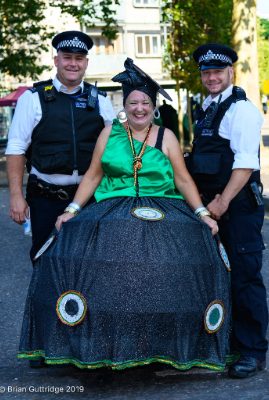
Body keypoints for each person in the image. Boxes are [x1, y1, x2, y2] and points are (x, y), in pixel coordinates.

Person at [18, 58, 231, 372]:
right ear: (124, 104)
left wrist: (201, 213)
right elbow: (92, 176)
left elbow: (183, 179)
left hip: (164, 208)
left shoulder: (166, 137)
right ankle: (105, 343)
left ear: (153, 106)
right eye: (133, 102)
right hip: (112, 207)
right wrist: (71, 210)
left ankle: (161, 344)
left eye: (145, 102)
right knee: (105, 273)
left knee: (163, 275)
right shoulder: (109, 133)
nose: (139, 109)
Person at [187, 43, 268, 378]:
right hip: (213, 211)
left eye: (218, 71)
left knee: (245, 279)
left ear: (230, 72)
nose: (212, 77)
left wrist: (219, 204)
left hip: (236, 210)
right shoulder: (207, 107)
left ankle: (252, 350)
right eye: (206, 72)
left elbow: (245, 164)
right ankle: (231, 344)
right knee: (221, 277)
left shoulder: (243, 110)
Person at [5, 30, 115, 261]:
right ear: (56, 60)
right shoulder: (33, 98)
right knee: (45, 260)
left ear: (86, 62)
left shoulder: (102, 101)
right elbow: (16, 149)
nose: (72, 64)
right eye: (67, 57)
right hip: (46, 198)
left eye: (78, 58)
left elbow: (114, 149)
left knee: (91, 263)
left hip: (91, 199)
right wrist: (16, 195)